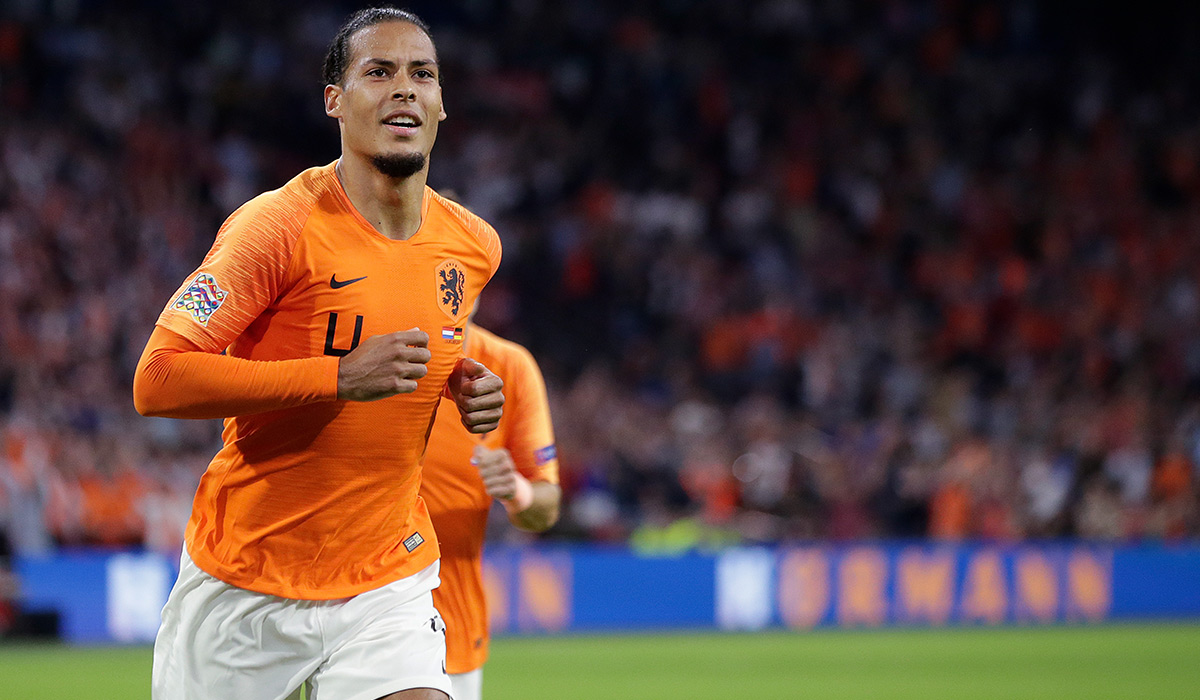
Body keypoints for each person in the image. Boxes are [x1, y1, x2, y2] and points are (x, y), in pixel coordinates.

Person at [132, 8, 505, 700]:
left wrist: (460, 382)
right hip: (249, 580)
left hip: (386, 577)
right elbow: (157, 380)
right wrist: (337, 377)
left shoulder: (473, 246)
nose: (405, 87)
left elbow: (421, 340)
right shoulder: (275, 227)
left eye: (422, 74)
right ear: (335, 100)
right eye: (379, 72)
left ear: (441, 104)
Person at [420, 320, 561, 700]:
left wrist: (517, 490)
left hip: (449, 624)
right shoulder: (367, 348)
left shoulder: (507, 366)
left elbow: (546, 507)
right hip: (345, 604)